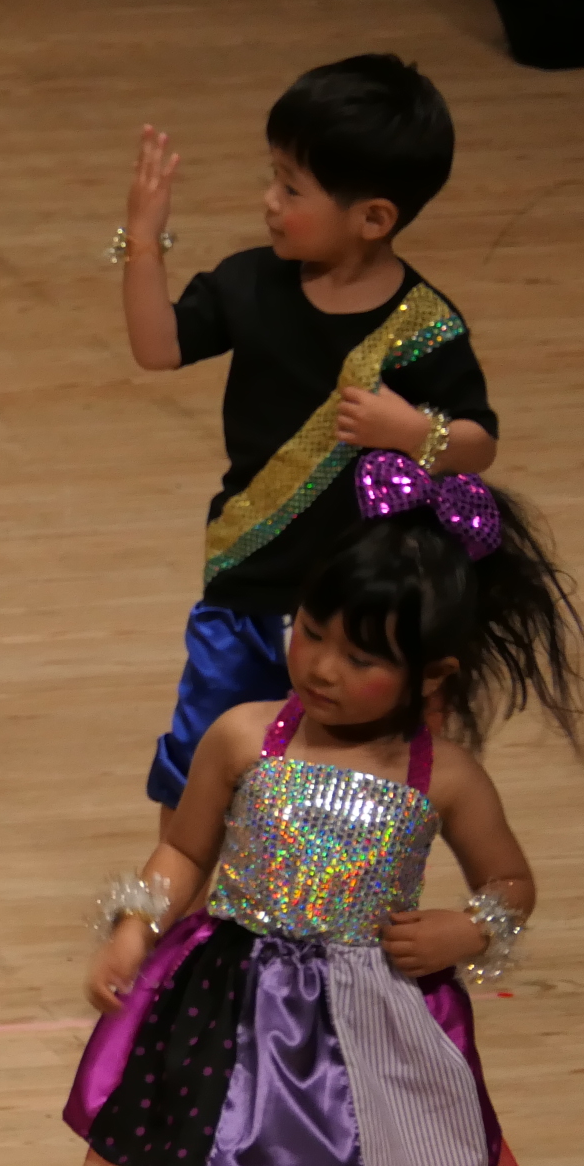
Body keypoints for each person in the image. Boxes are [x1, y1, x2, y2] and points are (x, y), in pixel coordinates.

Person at [67, 467, 584, 1166]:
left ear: (431, 675)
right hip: (245, 1035)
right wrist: (133, 926)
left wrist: (466, 929)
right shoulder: (242, 738)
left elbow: (512, 885)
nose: (322, 666)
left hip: (372, 1044)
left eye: (360, 655)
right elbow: (183, 851)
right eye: (310, 633)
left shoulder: (447, 779)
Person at [117, 54, 499, 833]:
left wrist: (413, 433)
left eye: (292, 188)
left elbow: (478, 442)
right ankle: (175, 895)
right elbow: (158, 347)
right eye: (274, 178)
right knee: (200, 756)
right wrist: (144, 243)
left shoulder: (424, 326)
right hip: (247, 580)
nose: (270, 200)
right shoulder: (249, 284)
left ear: (374, 218)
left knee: (343, 771)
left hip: (356, 610)